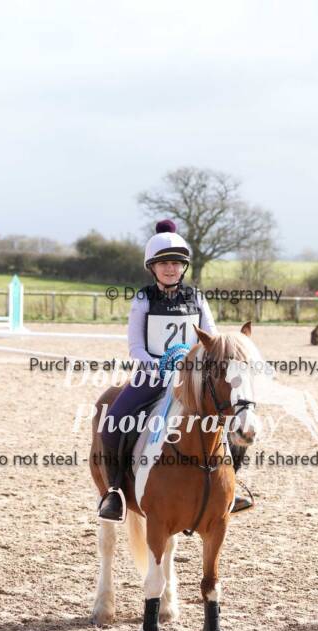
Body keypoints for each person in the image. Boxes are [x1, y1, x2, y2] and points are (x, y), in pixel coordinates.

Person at [98, 219, 253, 521]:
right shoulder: (143, 299)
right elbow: (136, 348)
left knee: (237, 416)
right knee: (113, 422)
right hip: (151, 376)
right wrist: (160, 368)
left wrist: (194, 370)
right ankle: (115, 492)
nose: (170, 269)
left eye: (176, 263)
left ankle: (233, 485)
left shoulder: (197, 298)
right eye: (164, 263)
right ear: (152, 267)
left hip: (194, 379)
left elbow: (212, 340)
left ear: (183, 267)